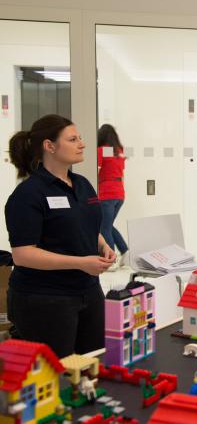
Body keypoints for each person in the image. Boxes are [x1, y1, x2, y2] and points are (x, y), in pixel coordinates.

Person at [4, 114, 115, 357]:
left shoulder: (83, 184)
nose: (82, 144)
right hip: (45, 298)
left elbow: (84, 224)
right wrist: (81, 263)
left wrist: (102, 244)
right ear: (49, 146)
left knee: (93, 365)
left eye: (80, 138)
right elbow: (23, 255)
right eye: (73, 139)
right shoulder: (28, 194)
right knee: (58, 375)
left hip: (89, 291)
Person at [97, 124, 128, 268]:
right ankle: (125, 252)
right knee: (108, 226)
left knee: (104, 228)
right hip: (119, 194)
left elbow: (94, 168)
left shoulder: (102, 150)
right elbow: (121, 174)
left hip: (106, 193)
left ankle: (111, 260)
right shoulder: (119, 152)